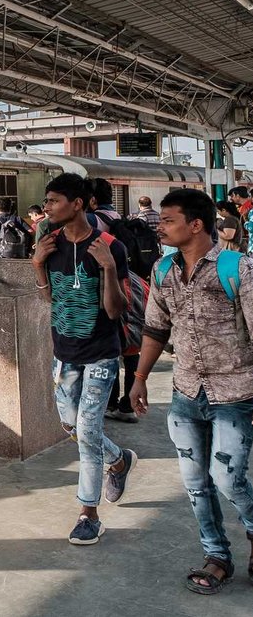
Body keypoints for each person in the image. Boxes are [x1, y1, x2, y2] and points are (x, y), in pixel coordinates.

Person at [132, 189, 253, 594]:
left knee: (228, 479)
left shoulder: (238, 268)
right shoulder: (162, 270)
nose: (160, 227)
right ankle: (216, 556)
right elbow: (155, 328)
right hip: (185, 393)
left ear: (196, 225)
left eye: (169, 220)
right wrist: (140, 377)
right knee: (195, 482)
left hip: (235, 394)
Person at [32, 173, 137, 546]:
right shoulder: (48, 243)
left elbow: (115, 310)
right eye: (46, 200)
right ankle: (119, 459)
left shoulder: (110, 247)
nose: (47, 207)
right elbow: (51, 300)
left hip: (100, 355)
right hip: (64, 354)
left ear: (77, 204)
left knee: (88, 431)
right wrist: (38, 265)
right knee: (70, 424)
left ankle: (88, 514)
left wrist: (108, 267)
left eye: (53, 200)